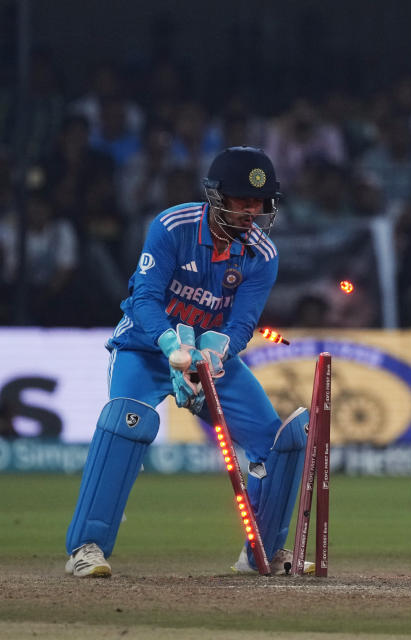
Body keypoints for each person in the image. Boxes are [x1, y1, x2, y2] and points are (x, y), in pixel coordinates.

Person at [64, 146, 313, 577]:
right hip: (145, 348)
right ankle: (87, 548)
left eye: (260, 203)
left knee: (276, 442)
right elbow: (144, 298)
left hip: (210, 360)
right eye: (242, 201)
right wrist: (169, 344)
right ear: (216, 197)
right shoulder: (172, 226)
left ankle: (263, 552)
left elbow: (243, 324)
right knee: (128, 422)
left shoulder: (263, 255)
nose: (252, 212)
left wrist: (215, 354)